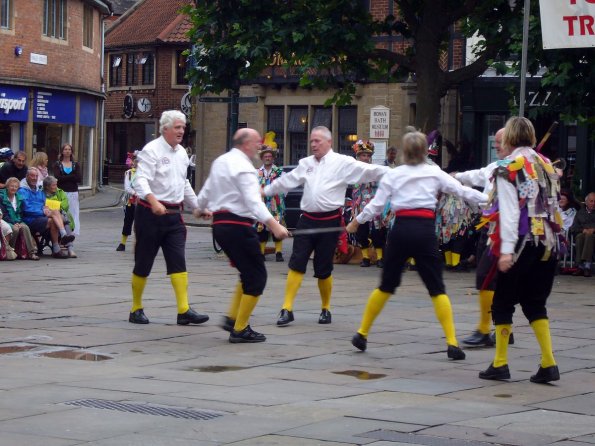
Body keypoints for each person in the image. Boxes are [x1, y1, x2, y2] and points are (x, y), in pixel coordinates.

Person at [346, 131, 487, 360]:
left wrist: (355, 221)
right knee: (436, 288)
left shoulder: (394, 174)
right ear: (424, 151)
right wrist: (489, 200)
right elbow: (462, 192)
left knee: (386, 285)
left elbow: (376, 205)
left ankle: (362, 333)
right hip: (424, 230)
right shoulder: (434, 172)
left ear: (404, 152)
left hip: (401, 230)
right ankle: (452, 343)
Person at [263, 126, 389, 326]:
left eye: (317, 141)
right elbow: (287, 181)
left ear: (329, 142)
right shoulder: (306, 163)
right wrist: (266, 191)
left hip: (330, 222)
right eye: (311, 141)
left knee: (323, 268)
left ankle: (325, 308)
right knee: (296, 262)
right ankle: (286, 308)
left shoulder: (343, 162)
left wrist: (396, 172)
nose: (313, 144)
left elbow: (370, 170)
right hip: (307, 220)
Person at [478, 116, 563, 383]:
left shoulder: (508, 168)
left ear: (510, 138)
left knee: (502, 302)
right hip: (548, 242)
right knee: (535, 302)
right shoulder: (545, 164)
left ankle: (500, 363)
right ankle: (548, 363)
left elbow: (511, 212)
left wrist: (505, 251)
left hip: (521, 242)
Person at [196, 128, 289, 343]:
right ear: (245, 143)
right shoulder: (246, 169)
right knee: (257, 277)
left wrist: (200, 207)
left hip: (221, 226)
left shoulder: (221, 161)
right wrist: (274, 225)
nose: (260, 146)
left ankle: (232, 318)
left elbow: (208, 188)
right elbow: (253, 201)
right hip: (238, 226)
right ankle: (240, 329)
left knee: (247, 273)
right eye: (257, 142)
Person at [128, 110, 209, 326]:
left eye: (183, 127)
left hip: (173, 217)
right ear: (165, 129)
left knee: (178, 261)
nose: (182, 131)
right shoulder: (151, 150)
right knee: (143, 262)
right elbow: (140, 181)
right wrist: (154, 201)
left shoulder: (182, 153)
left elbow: (183, 184)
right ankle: (136, 308)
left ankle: (184, 310)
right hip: (149, 214)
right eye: (177, 127)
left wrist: (197, 206)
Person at [454, 128, 507, 347]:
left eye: (500, 143)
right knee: (501, 281)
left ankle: (485, 330)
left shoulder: (511, 168)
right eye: (494, 142)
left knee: (486, 276)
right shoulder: (496, 166)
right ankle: (505, 327)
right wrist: (456, 176)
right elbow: (477, 174)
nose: (496, 147)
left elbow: (491, 199)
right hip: (494, 226)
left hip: (500, 228)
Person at [18, 167, 74, 259]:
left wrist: (46, 209)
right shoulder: (22, 190)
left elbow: (44, 203)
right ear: (27, 176)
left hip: (42, 217)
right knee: (53, 220)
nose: (34, 178)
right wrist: (42, 211)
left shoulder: (39, 190)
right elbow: (26, 208)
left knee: (54, 214)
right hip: (30, 219)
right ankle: (58, 246)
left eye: (36, 176)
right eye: (32, 176)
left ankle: (62, 237)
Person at [351, 140, 388, 268]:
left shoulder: (376, 170)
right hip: (360, 206)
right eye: (363, 155)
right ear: (358, 156)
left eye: (368, 156)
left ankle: (380, 258)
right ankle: (365, 258)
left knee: (377, 233)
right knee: (361, 233)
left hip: (374, 206)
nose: (366, 158)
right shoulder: (353, 170)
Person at [256, 145, 286, 262]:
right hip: (262, 204)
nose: (268, 158)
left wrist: (279, 200)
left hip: (276, 205)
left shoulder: (279, 172)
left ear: (273, 158)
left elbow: (285, 187)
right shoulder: (257, 172)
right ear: (262, 158)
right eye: (265, 156)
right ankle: (261, 253)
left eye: (269, 156)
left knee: (277, 225)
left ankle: (278, 253)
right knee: (261, 228)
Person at [0, 177, 40, 260]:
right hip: (6, 220)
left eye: (15, 186)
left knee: (25, 227)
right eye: (11, 186)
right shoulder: (1, 196)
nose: (13, 188)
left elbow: (20, 213)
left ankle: (31, 253)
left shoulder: (19, 198)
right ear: (7, 186)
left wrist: (18, 222)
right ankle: (11, 250)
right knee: (15, 229)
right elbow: (4, 213)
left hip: (17, 220)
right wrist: (14, 223)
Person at [43, 175, 76, 258]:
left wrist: (54, 205)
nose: (56, 187)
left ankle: (67, 247)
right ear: (47, 187)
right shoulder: (41, 194)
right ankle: (70, 249)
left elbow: (65, 205)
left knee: (64, 219)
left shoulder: (60, 192)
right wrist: (56, 205)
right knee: (65, 221)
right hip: (48, 216)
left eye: (56, 184)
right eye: (53, 185)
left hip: (61, 213)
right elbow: (43, 206)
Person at [52, 143, 81, 236]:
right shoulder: (57, 164)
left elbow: (79, 178)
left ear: (71, 152)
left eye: (69, 149)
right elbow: (58, 178)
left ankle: (72, 233)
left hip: (73, 192)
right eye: (65, 149)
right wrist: (72, 176)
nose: (67, 151)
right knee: (62, 212)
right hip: (61, 192)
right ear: (62, 151)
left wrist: (65, 177)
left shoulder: (76, 165)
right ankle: (62, 233)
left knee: (73, 213)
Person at [116, 152, 139, 252]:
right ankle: (122, 243)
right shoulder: (128, 173)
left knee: (141, 223)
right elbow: (127, 187)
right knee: (128, 221)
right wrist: (135, 193)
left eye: (139, 161)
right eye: (135, 160)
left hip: (142, 201)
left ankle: (140, 243)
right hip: (131, 200)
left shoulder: (145, 173)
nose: (137, 162)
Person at [570, 192, 595, 277]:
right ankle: (580, 267)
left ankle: (587, 266)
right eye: (591, 201)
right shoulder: (580, 213)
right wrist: (583, 230)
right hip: (582, 235)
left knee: (589, 236)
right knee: (580, 237)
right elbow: (573, 228)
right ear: (586, 202)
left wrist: (593, 229)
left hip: (593, 236)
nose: (593, 203)